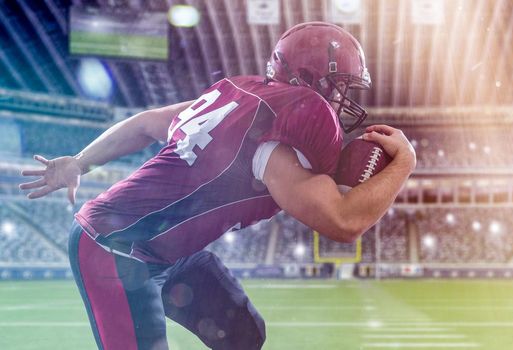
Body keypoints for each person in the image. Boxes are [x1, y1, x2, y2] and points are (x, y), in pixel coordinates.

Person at [18, 22, 415, 350]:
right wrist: (405, 163)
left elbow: (144, 122)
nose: (344, 100)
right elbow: (342, 221)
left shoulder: (239, 102)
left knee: (242, 336)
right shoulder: (271, 145)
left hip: (164, 249)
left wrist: (80, 162)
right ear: (309, 79)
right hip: (114, 247)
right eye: (339, 86)